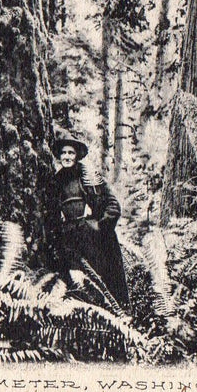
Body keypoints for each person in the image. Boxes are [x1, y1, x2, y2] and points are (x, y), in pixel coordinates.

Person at [48, 132, 131, 311]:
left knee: (102, 284)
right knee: (77, 287)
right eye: (63, 153)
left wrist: (99, 226)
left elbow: (113, 206)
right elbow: (51, 214)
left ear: (77, 155)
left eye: (71, 153)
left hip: (95, 240)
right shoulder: (56, 181)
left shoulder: (90, 177)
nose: (67, 157)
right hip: (70, 242)